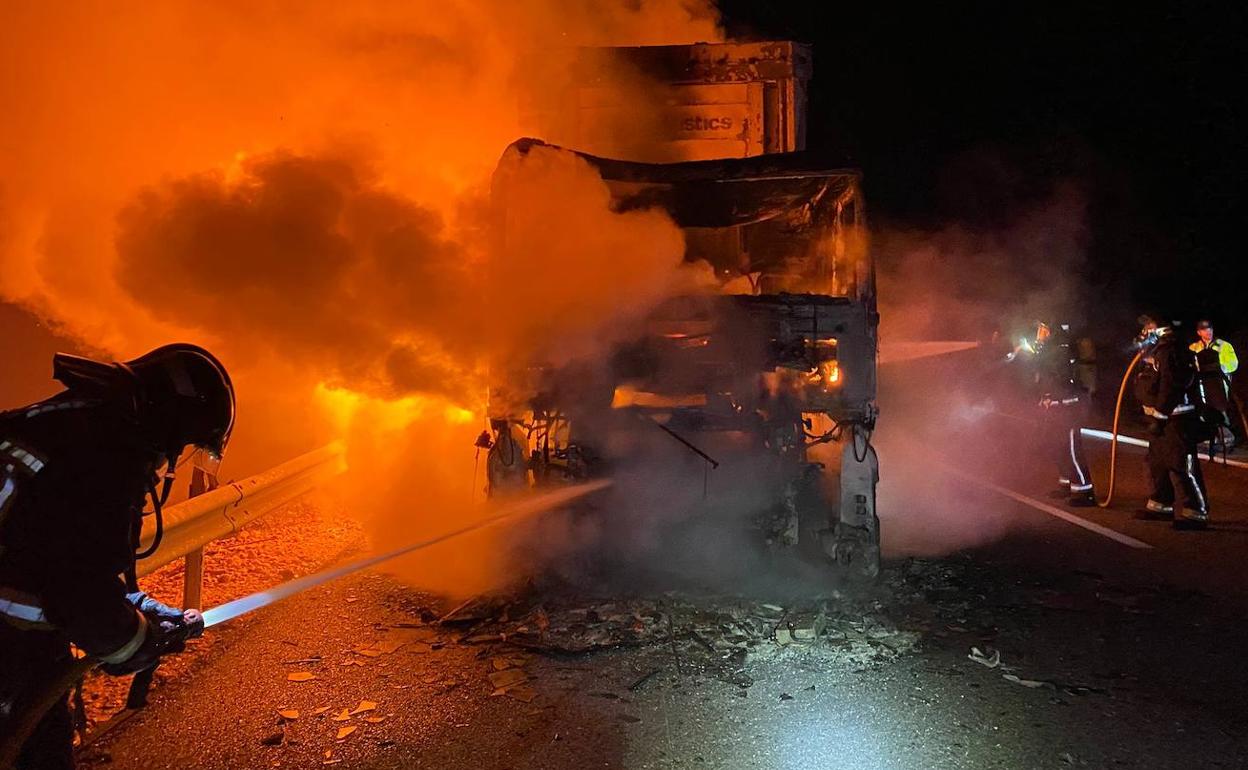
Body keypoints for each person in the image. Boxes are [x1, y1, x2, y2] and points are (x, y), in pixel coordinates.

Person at [0, 344, 234, 769]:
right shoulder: (104, 458)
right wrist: (136, 643)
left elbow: (61, 559)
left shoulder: (70, 425)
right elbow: (83, 600)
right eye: (183, 443)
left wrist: (142, 611)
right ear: (170, 420)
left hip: (19, 645)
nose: (171, 460)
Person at [1134, 321, 1211, 526]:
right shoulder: (1158, 351)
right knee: (1157, 463)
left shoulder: (1171, 352)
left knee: (1181, 464)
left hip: (1177, 419)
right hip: (1162, 419)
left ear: (1162, 328)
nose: (1145, 330)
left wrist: (1159, 417)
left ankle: (1196, 511)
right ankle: (1161, 504)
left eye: (1150, 325)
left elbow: (1171, 387)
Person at [1015, 321, 1096, 505]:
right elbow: (1040, 374)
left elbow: (1055, 373)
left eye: (1042, 329)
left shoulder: (1060, 349)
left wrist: (1034, 352)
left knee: (1071, 448)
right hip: (1055, 406)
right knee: (1056, 446)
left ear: (1050, 330)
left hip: (1068, 407)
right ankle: (1067, 483)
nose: (1039, 333)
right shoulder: (1049, 349)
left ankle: (1084, 491)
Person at [1189, 319, 1241, 447]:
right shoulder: (1194, 347)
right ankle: (1209, 436)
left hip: (1218, 384)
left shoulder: (1224, 345)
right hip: (1201, 383)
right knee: (1203, 410)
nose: (1208, 332)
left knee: (1220, 409)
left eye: (1210, 329)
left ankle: (1227, 436)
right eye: (1205, 330)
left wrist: (1219, 367)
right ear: (1199, 332)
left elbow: (1233, 364)